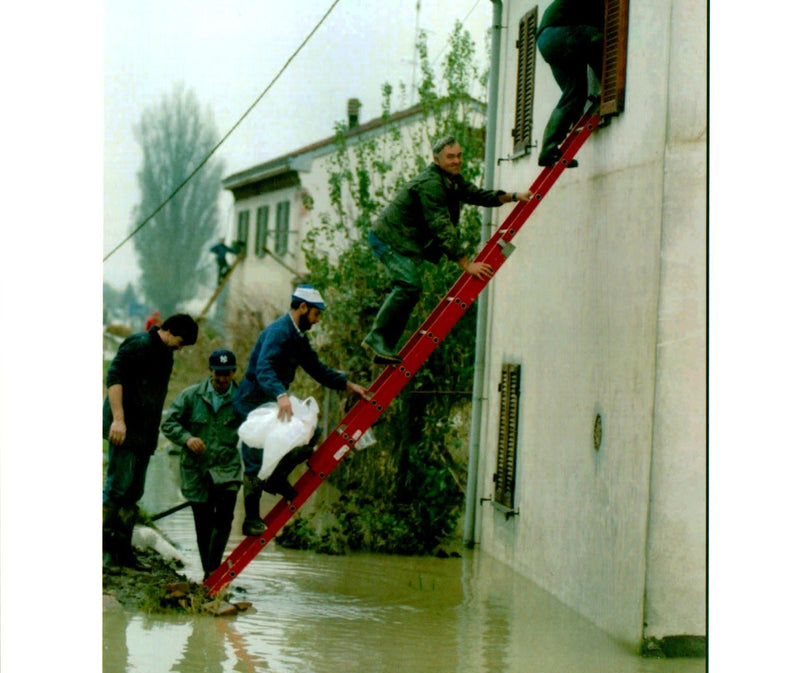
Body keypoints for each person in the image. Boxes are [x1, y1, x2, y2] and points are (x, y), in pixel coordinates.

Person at [362, 136, 533, 364]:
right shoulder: (432, 184)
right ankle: (377, 339)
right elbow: (441, 226)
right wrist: (466, 264)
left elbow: (476, 195)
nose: (457, 161)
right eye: (450, 157)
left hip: (403, 241)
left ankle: (383, 346)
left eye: (459, 155)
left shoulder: (451, 179)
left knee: (410, 288)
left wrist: (512, 196)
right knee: (409, 284)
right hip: (388, 239)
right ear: (436, 159)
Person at [234, 284, 368, 536]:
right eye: (316, 315)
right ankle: (250, 519)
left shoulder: (298, 338)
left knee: (310, 432)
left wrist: (347, 385)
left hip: (275, 399)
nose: (317, 321)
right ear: (303, 308)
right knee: (254, 459)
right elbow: (264, 369)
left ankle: (276, 478)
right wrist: (281, 394)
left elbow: (316, 368)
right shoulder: (278, 332)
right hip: (253, 401)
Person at [102, 313, 199, 569]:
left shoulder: (166, 354)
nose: (180, 348)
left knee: (134, 492)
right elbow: (114, 379)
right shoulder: (138, 345)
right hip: (124, 428)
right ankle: (105, 552)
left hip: (145, 433)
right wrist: (118, 419)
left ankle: (123, 552)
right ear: (168, 331)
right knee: (117, 488)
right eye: (180, 341)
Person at [161, 349, 242, 576]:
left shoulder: (243, 398)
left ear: (234, 372)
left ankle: (212, 572)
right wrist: (187, 438)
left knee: (225, 518)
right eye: (219, 374)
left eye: (227, 374)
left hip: (227, 467)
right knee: (203, 523)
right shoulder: (190, 396)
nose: (223, 379)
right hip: (196, 469)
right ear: (211, 372)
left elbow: (257, 425)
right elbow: (168, 424)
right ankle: (210, 574)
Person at [535, 0, 607, 167]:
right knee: (599, 36)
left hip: (548, 41)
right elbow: (593, 37)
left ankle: (548, 151)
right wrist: (607, 81)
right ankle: (607, 85)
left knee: (574, 94)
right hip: (558, 34)